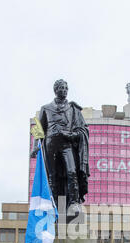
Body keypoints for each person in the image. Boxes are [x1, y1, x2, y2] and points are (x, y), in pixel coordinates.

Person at [31, 79, 90, 216]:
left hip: (66, 144)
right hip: (50, 144)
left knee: (72, 171)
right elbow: (39, 129)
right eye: (61, 88)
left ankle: (74, 203)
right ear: (55, 90)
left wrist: (70, 134)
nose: (63, 90)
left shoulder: (72, 109)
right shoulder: (46, 108)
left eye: (65, 88)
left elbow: (82, 129)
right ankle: (52, 203)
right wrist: (35, 146)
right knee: (52, 176)